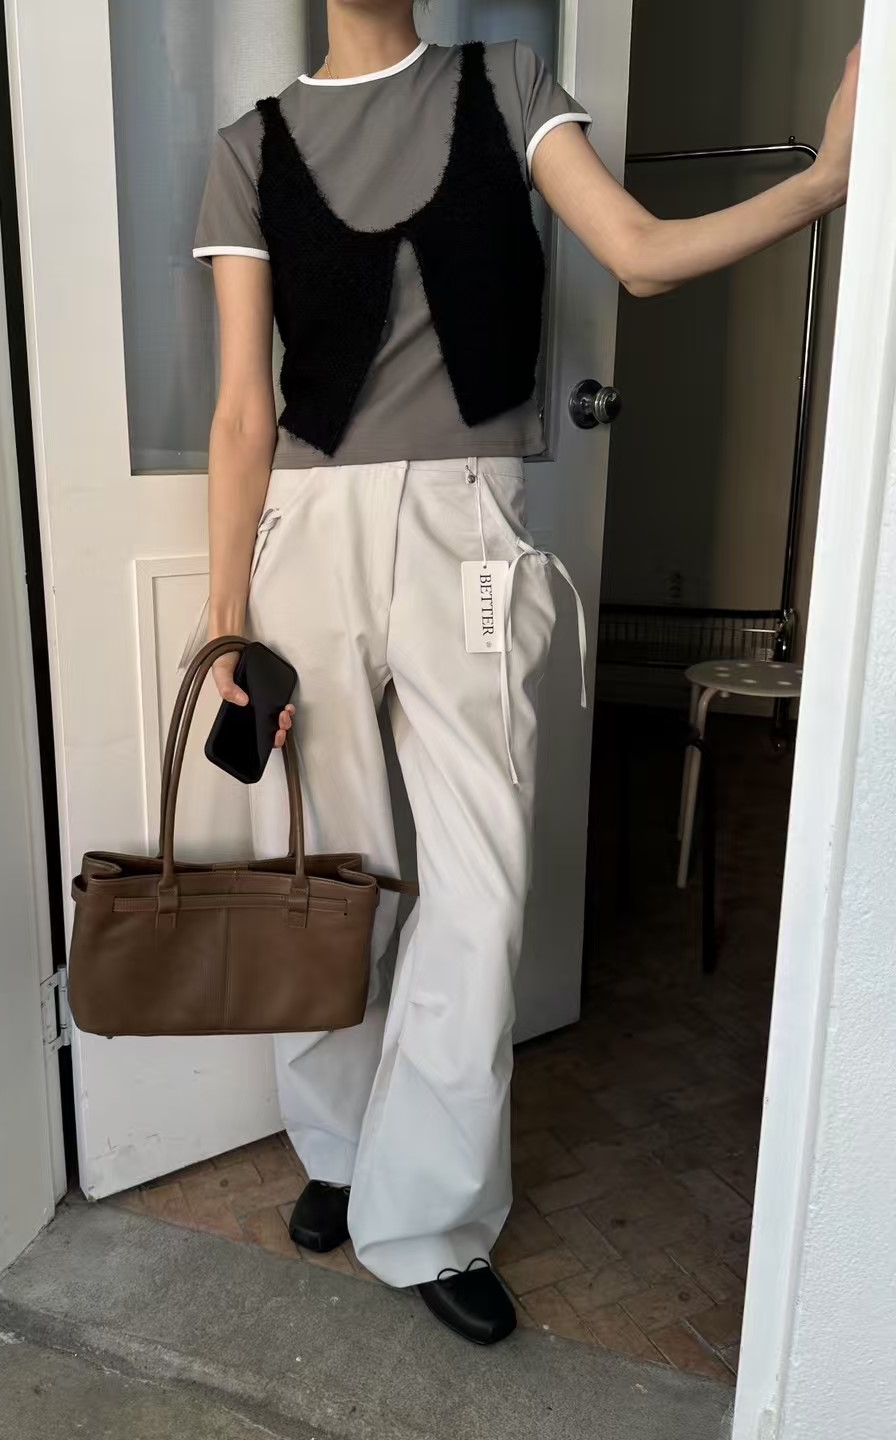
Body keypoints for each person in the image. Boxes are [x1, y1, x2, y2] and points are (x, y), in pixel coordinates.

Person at [190, 0, 859, 1345]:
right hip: (307, 537)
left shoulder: (507, 82)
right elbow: (245, 408)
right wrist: (223, 621)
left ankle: (429, 1213)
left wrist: (825, 183)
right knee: (327, 871)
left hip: (469, 532)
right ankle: (341, 1152)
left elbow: (640, 255)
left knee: (482, 885)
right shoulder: (249, 147)